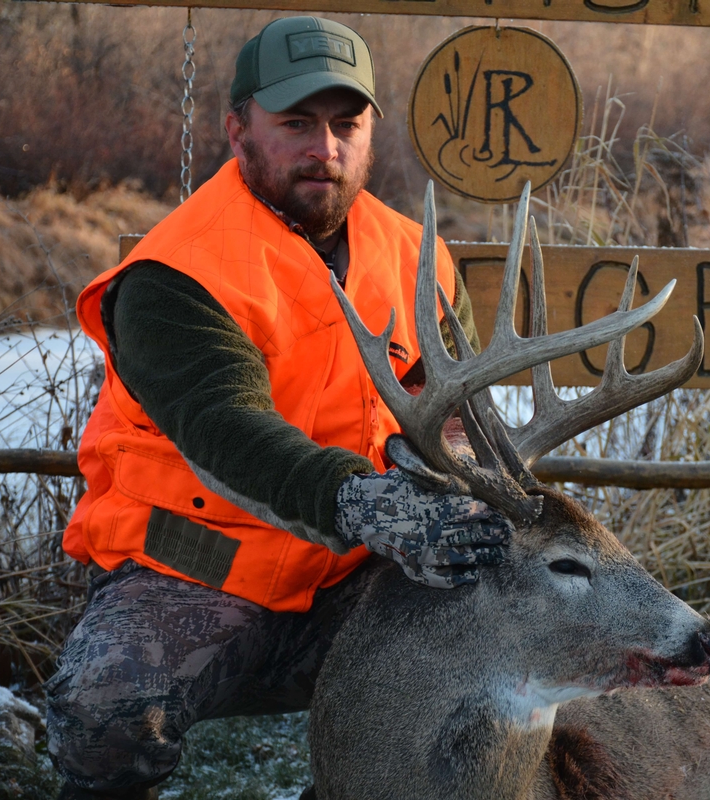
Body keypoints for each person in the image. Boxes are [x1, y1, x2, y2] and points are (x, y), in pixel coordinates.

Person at [45, 17, 510, 800]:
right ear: (238, 130)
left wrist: (456, 485)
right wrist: (360, 500)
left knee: (501, 636)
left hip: (353, 574)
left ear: (369, 133)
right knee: (107, 715)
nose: (323, 148)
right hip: (192, 570)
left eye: (344, 124)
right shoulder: (176, 273)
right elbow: (227, 428)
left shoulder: (412, 255)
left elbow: (452, 413)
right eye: (295, 124)